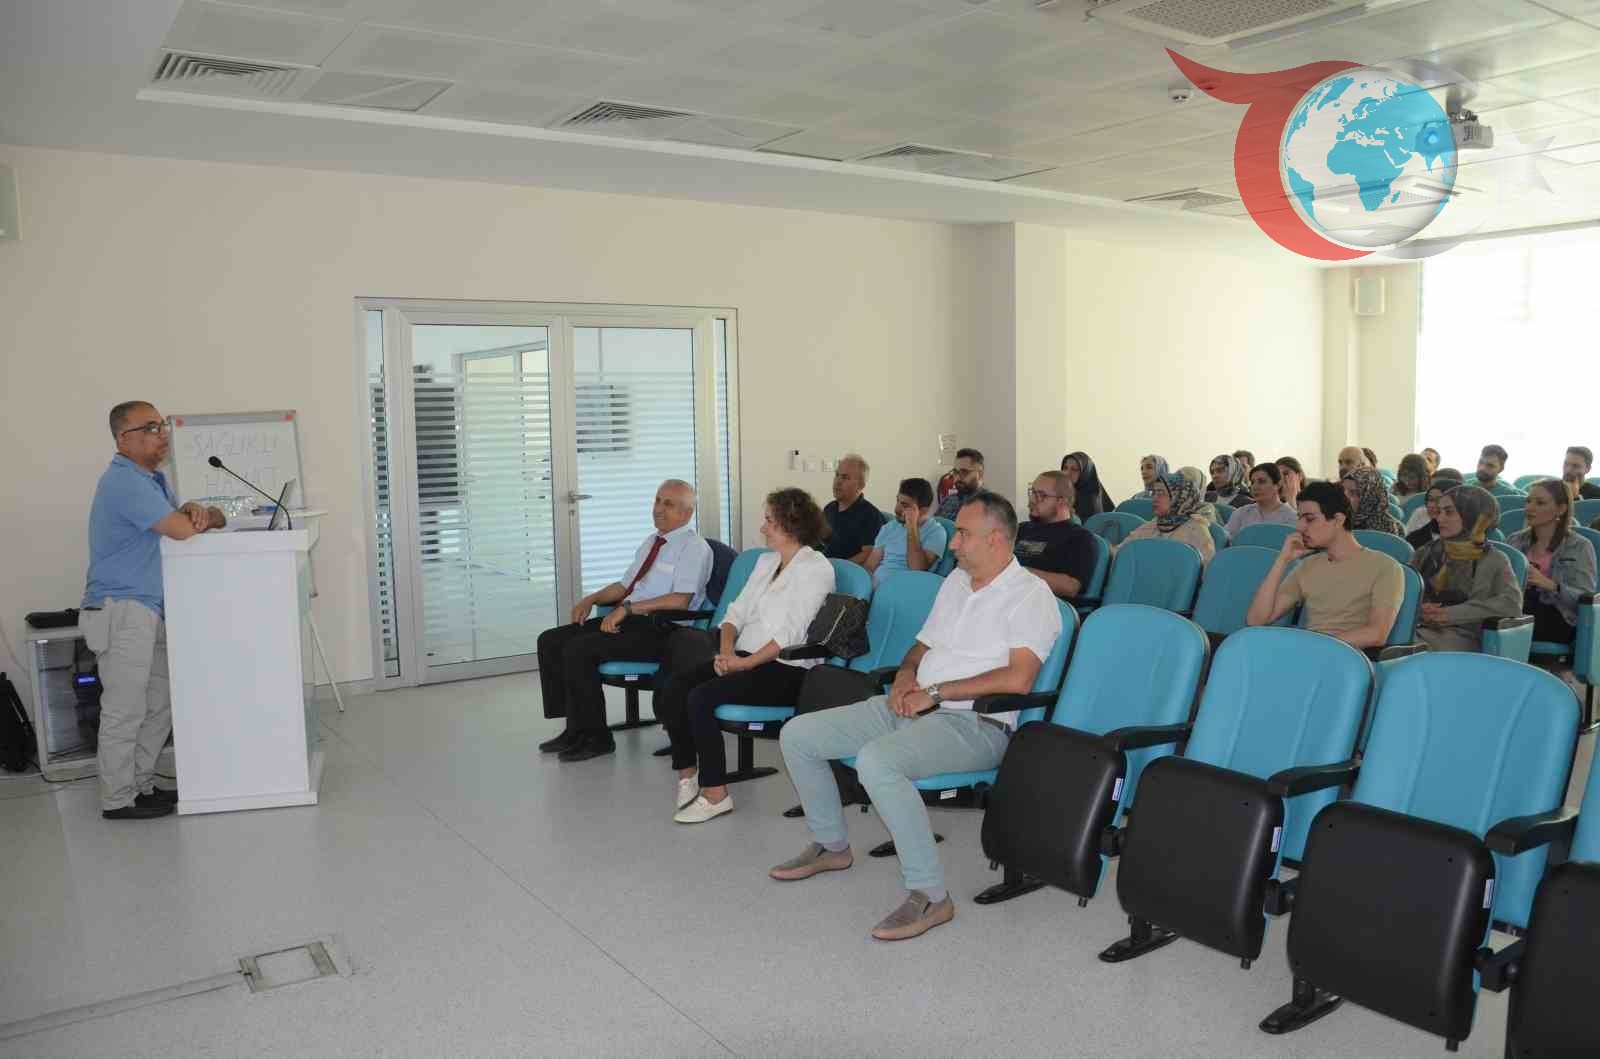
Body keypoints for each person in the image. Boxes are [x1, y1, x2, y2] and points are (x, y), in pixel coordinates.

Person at [772, 492, 1061, 941]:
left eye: (962, 534)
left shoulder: (1030, 596)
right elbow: (922, 645)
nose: (953, 543)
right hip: (916, 703)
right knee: (798, 735)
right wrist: (907, 675)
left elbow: (1019, 679)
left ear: (996, 539)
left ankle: (931, 896)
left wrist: (936, 692)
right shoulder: (957, 582)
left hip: (977, 723)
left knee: (877, 762)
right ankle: (831, 846)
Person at [80, 401, 226, 820]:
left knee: (158, 704)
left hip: (152, 608)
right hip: (122, 609)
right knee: (125, 709)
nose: (161, 434)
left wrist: (197, 510)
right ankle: (117, 799)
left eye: (161, 426)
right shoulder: (124, 481)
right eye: (149, 428)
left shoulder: (152, 480)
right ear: (123, 439)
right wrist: (206, 514)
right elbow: (181, 529)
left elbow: (183, 520)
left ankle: (141, 784)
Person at [659, 489, 835, 824]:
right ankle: (687, 775)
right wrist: (727, 653)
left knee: (700, 697)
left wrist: (743, 664)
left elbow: (791, 634)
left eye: (769, 521)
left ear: (791, 525)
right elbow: (734, 613)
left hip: (786, 670)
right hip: (744, 657)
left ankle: (716, 794)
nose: (763, 528)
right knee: (676, 686)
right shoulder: (766, 562)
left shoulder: (816, 569)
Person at [535, 480, 713, 763]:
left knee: (580, 649)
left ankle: (597, 738)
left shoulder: (694, 548)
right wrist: (591, 599)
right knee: (551, 640)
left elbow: (680, 600)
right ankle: (575, 728)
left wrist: (628, 609)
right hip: (632, 620)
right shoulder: (652, 542)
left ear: (686, 513)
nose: (658, 508)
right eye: (657, 500)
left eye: (668, 504)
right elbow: (624, 585)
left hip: (663, 629)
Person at [1246, 481, 1405, 649]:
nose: (1300, 527)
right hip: (1309, 652)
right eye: (1300, 518)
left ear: (1338, 520)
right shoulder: (1307, 566)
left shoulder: (1386, 567)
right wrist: (1282, 560)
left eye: (1310, 519)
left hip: (1351, 657)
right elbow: (1256, 620)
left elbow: (1376, 634)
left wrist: (1312, 647)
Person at [1409, 486, 1521, 653]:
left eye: (1449, 512)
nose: (1439, 518)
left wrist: (1449, 614)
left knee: (1402, 646)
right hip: (1420, 628)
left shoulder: (1494, 559)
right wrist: (1419, 608)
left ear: (1474, 517)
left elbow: (1510, 604)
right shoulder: (1426, 552)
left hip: (1465, 635)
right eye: (1439, 512)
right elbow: (1405, 590)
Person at [1510, 480, 1599, 647]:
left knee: (1510, 624)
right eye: (1528, 501)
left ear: (1561, 509)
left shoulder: (1579, 546)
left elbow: (1584, 599)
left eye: (1540, 503)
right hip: (1519, 607)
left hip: (1558, 615)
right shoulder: (1515, 540)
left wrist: (1549, 584)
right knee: (1499, 617)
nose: (1529, 508)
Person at [1016, 470, 1099, 600]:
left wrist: (1019, 572)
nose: (1032, 500)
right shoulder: (1021, 529)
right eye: (1032, 492)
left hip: (1046, 604)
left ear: (1062, 501)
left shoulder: (1080, 538)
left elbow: (1071, 587)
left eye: (1041, 495)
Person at [1120, 471, 1215, 567]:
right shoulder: (1152, 525)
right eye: (1154, 493)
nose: (1154, 498)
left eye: (1161, 493)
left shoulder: (1197, 531)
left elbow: (1207, 570)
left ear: (1179, 497)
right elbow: (1121, 551)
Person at [866, 478, 946, 587]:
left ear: (923, 510)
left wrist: (911, 527)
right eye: (897, 501)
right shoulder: (889, 527)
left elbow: (917, 569)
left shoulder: (936, 532)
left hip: (906, 589)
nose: (896, 509)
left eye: (905, 505)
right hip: (876, 587)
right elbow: (870, 566)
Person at [820, 454, 881, 565]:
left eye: (845, 477)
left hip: (846, 571)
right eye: (837, 475)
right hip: (824, 566)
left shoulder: (870, 515)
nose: (837, 481)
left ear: (860, 485)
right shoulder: (829, 508)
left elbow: (868, 553)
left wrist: (838, 567)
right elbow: (822, 541)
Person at [1226, 462, 1300, 538]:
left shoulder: (1291, 517)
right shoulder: (1241, 513)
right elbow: (1225, 540)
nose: (1255, 487)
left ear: (1278, 485)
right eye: (1252, 482)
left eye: (1262, 482)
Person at [1404, 470, 1465, 546]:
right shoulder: (1418, 536)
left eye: (1439, 500)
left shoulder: (1473, 532)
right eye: (1430, 499)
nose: (1431, 505)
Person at [1342, 466, 1402, 535]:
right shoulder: (1337, 520)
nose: (1344, 497)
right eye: (1342, 490)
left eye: (1353, 492)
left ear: (1369, 498)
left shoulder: (1386, 530)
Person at [1061, 451, 1115, 517]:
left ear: (1085, 474)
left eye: (1074, 469)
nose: (1067, 473)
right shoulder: (1062, 491)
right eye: (1065, 468)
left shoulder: (1090, 502)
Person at [935, 448, 983, 521]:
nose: (957, 478)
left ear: (980, 474)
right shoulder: (948, 500)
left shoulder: (989, 505)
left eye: (964, 472)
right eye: (955, 472)